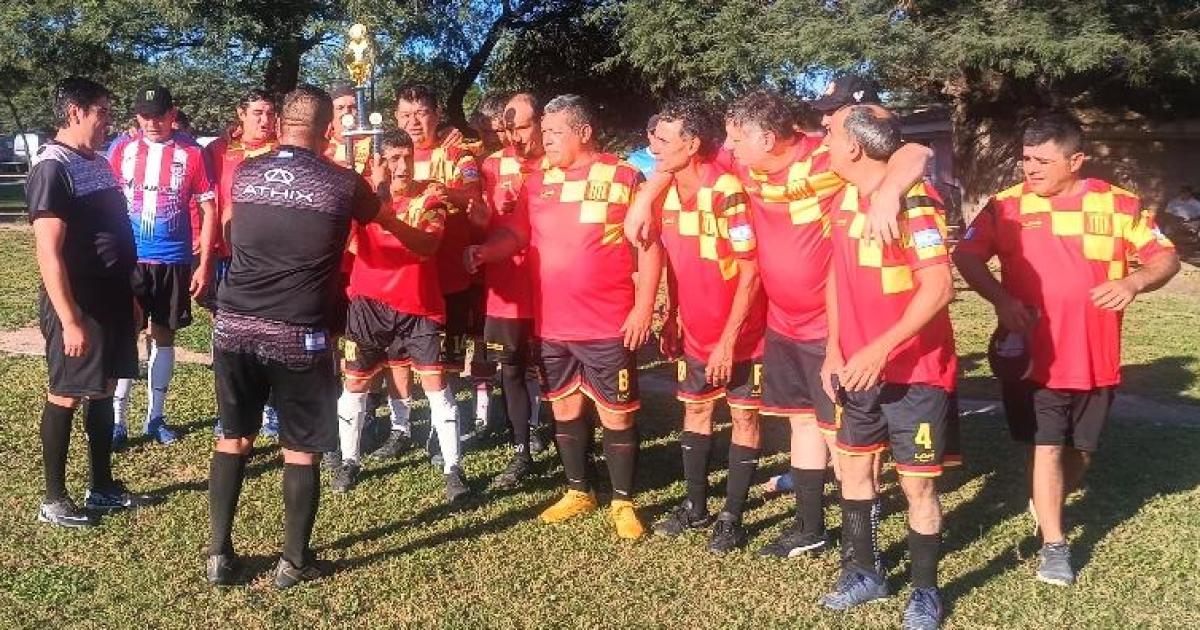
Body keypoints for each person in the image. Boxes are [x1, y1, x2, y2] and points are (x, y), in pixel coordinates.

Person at [206, 84, 425, 588]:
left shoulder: (247, 171)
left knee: (233, 437)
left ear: (280, 125)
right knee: (300, 448)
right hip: (297, 331)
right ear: (330, 130)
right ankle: (294, 561)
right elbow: (385, 220)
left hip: (234, 323)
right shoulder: (343, 183)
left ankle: (218, 554)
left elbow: (238, 233)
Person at [953, 112, 1179, 587]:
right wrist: (1001, 300)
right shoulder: (1005, 206)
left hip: (1096, 358)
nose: (1029, 169)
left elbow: (1166, 257)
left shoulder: (1119, 205)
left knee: (1083, 451)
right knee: (1046, 447)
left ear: (1076, 160)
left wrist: (1134, 281)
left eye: (1042, 161)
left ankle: (1045, 501)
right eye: (1025, 159)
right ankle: (1055, 546)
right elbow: (967, 255)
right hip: (1034, 357)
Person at [720, 84, 931, 558]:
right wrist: (647, 193)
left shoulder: (825, 159)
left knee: (844, 438)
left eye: (735, 138)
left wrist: (888, 193)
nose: (728, 148)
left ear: (768, 139)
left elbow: (914, 150)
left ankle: (862, 534)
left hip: (828, 325)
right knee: (802, 425)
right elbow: (688, 168)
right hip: (783, 323)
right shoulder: (743, 166)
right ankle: (810, 527)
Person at [467, 94, 663, 539]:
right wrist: (485, 251)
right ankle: (579, 490)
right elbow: (516, 235)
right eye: (545, 131)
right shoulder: (537, 183)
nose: (545, 139)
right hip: (553, 324)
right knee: (565, 408)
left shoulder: (622, 176)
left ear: (584, 133)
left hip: (608, 323)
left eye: (555, 132)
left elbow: (650, 247)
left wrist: (643, 308)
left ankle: (622, 501)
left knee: (617, 414)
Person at [817, 104, 956, 629]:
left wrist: (881, 349)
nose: (822, 140)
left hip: (914, 373)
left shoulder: (915, 203)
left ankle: (925, 592)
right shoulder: (842, 199)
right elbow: (837, 277)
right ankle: (865, 571)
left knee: (918, 486)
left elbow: (938, 288)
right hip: (854, 369)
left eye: (829, 134)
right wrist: (836, 348)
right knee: (853, 468)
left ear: (854, 147)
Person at [633, 98, 768, 554]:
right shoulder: (667, 193)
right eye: (654, 138)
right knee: (695, 411)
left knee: (744, 417)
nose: (654, 146)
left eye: (664, 140)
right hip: (694, 331)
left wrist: (729, 342)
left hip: (744, 335)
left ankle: (731, 515)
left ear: (692, 145)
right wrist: (671, 312)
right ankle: (695, 507)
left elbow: (751, 271)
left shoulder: (726, 190)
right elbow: (672, 257)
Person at [28, 77, 150, 527]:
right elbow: (48, 250)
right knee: (65, 393)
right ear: (75, 111)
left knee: (101, 391)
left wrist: (132, 295)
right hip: (80, 303)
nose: (108, 121)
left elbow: (114, 231)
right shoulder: (51, 165)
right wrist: (70, 319)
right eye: (102, 111)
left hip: (113, 296)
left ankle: (102, 487)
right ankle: (54, 499)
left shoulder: (97, 162)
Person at [331, 131, 468, 500]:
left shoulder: (431, 195)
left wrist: (385, 214)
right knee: (356, 383)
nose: (402, 166)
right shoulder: (359, 198)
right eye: (392, 159)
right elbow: (339, 243)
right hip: (367, 304)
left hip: (418, 305)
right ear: (378, 162)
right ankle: (349, 459)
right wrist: (372, 198)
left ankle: (454, 468)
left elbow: (427, 246)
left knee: (436, 387)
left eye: (406, 156)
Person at [108, 85, 218, 447]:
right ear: (136, 116)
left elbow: (208, 207)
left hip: (173, 258)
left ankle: (156, 417)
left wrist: (203, 264)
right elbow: (105, 200)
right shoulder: (121, 148)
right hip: (130, 258)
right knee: (126, 336)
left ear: (173, 113)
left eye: (159, 114)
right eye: (144, 115)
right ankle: (117, 420)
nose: (152, 122)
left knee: (164, 337)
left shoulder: (192, 153)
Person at [390, 84, 486, 464]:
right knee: (400, 356)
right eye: (406, 115)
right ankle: (401, 427)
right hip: (403, 275)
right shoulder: (391, 152)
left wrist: (428, 188)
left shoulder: (458, 152)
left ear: (436, 114)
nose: (414, 122)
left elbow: (473, 196)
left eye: (421, 113)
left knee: (443, 360)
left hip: (447, 271)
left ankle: (440, 430)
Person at [478, 92, 551, 491]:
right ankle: (521, 448)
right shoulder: (493, 163)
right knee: (511, 368)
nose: (515, 137)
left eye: (522, 126)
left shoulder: (558, 160)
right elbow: (484, 219)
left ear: (541, 122)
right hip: (506, 283)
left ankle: (566, 439)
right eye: (508, 129)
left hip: (550, 287)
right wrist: (484, 214)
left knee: (554, 367)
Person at [204, 89, 281, 438]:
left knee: (270, 331)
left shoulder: (282, 150)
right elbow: (202, 199)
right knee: (226, 335)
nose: (264, 120)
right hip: (227, 257)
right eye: (256, 113)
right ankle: (230, 410)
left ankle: (270, 408)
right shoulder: (219, 151)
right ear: (241, 113)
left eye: (268, 112)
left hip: (269, 258)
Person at [326, 82, 372, 174]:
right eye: (340, 108)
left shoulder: (373, 143)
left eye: (352, 107)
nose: (346, 112)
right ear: (330, 114)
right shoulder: (321, 146)